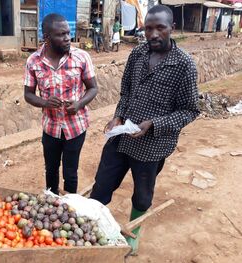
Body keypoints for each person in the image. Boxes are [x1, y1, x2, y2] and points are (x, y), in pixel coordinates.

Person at [89, 5, 199, 254]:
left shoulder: (184, 66)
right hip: (121, 139)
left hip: (153, 146)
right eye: (149, 28)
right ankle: (92, 233)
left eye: (160, 27)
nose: (153, 34)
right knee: (101, 188)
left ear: (172, 28)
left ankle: (132, 240)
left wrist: (155, 124)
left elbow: (190, 110)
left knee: (142, 197)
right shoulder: (137, 54)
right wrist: (118, 117)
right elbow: (126, 92)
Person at [24, 13, 98, 195]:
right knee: (51, 170)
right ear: (47, 38)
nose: (68, 38)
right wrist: (45, 103)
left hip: (76, 127)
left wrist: (79, 104)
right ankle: (52, 203)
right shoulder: (33, 61)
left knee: (71, 173)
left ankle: (70, 205)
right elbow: (28, 95)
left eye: (68, 33)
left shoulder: (81, 57)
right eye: (61, 34)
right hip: (50, 128)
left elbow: (93, 88)